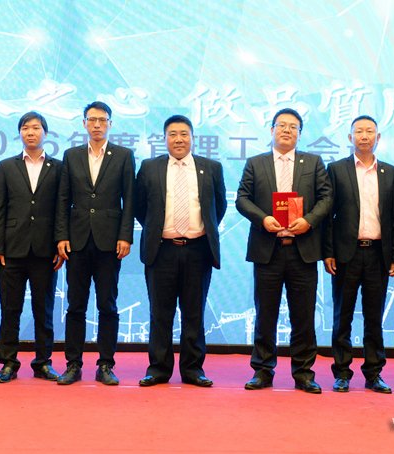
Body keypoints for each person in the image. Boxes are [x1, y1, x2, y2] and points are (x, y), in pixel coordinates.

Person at [236, 108, 333, 394]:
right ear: (272, 130)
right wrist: (263, 219)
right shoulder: (256, 163)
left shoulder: (313, 162)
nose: (287, 130)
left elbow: (327, 198)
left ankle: (303, 373)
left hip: (303, 250)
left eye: (293, 127)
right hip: (268, 250)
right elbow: (242, 198)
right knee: (265, 314)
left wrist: (309, 221)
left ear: (300, 134)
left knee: (303, 316)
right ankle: (262, 370)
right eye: (282, 125)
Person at [135, 115, 227, 387]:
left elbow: (218, 207)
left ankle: (193, 369)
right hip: (161, 250)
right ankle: (158, 368)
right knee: (160, 313)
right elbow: (140, 207)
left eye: (184, 134)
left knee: (194, 312)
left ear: (193, 138)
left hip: (198, 250)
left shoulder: (211, 167)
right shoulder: (149, 167)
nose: (178, 139)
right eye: (173, 134)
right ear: (164, 138)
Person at [55, 101, 135, 385]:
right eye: (92, 120)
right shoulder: (72, 155)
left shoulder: (124, 155)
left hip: (109, 241)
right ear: (84, 124)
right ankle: (73, 365)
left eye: (102, 120)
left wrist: (125, 236)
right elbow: (63, 198)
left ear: (110, 124)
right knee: (75, 305)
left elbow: (129, 199)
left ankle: (105, 365)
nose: (97, 124)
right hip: (76, 241)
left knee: (107, 305)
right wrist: (61, 236)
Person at [323, 115, 394, 394]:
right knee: (342, 315)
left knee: (374, 316)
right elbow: (327, 215)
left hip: (379, 254)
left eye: (370, 131)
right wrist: (328, 251)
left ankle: (374, 373)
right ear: (350, 137)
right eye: (359, 132)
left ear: (378, 138)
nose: (364, 136)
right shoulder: (336, 170)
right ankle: (342, 372)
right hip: (347, 253)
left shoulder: (392, 173)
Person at [0, 111, 63, 383]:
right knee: (10, 310)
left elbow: (61, 209)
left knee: (44, 311)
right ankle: (8, 363)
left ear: (45, 133)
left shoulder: (58, 167)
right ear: (19, 133)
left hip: (45, 251)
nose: (31, 132)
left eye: (36, 127)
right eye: (26, 128)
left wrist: (59, 244)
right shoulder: (5, 167)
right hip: (11, 250)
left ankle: (43, 362)